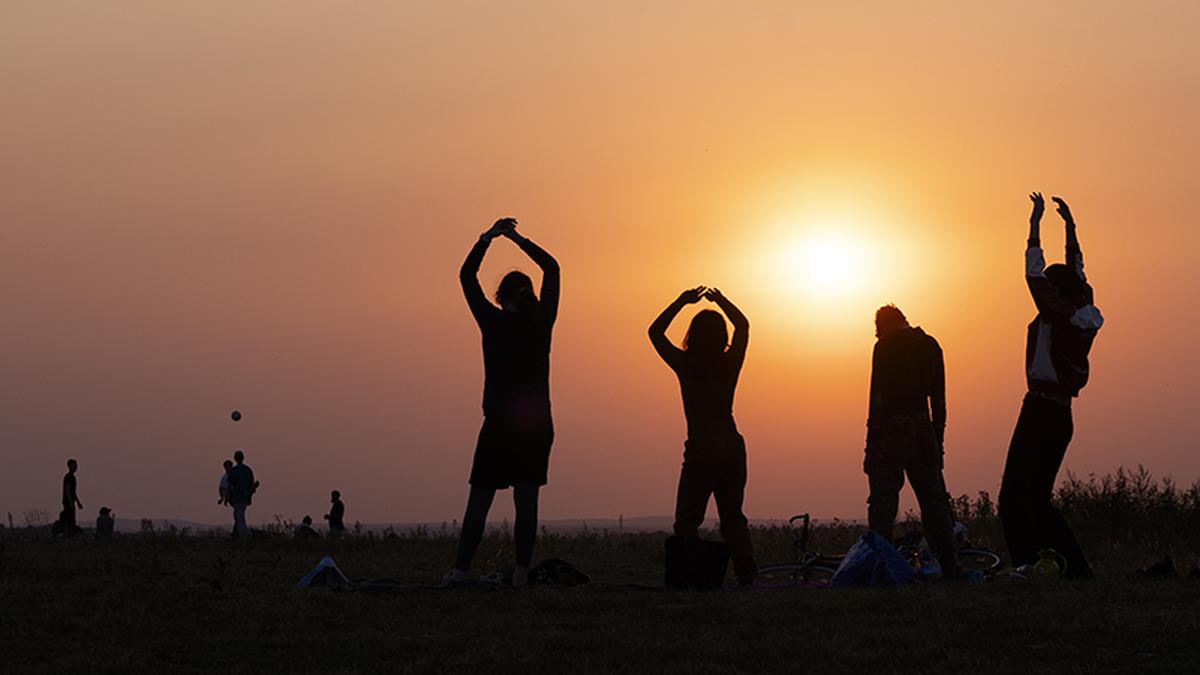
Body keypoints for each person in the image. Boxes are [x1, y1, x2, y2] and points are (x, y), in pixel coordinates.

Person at [444, 217, 560, 588]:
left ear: (500, 298)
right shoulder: (542, 323)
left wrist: (488, 239)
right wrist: (517, 239)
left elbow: (466, 276)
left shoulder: (492, 323)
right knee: (526, 505)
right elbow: (552, 267)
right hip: (538, 426)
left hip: (498, 426)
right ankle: (523, 575)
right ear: (530, 295)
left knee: (479, 501)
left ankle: (460, 572)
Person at [999, 193, 1103, 580]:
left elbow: (1034, 273)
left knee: (1012, 496)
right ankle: (1072, 568)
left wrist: (1035, 225)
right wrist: (1071, 228)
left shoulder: (1057, 313)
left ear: (1055, 293)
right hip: (1061, 415)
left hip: (1039, 410)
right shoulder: (1083, 312)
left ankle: (1027, 565)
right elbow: (1079, 274)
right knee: (1038, 498)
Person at [649, 286, 757, 585]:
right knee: (733, 517)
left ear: (692, 335)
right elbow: (744, 326)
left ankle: (688, 578)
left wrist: (681, 301)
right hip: (732, 445)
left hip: (701, 448)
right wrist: (722, 300)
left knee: (687, 520)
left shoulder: (686, 364)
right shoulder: (730, 361)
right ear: (722, 337)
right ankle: (746, 575)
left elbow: (655, 332)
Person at [864, 305, 958, 578]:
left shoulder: (884, 347)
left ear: (881, 326)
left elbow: (877, 398)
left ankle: (878, 566)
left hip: (892, 429)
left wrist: (871, 445)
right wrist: (937, 439)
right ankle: (949, 566)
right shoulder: (930, 345)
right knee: (935, 501)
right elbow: (939, 399)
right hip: (923, 428)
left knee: (882, 502)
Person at [227, 450, 258, 539]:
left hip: (237, 497)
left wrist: (228, 496)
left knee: (239, 517)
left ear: (235, 459)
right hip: (245, 497)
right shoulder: (248, 470)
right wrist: (250, 496)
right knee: (240, 516)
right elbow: (251, 486)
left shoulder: (235, 471)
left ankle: (244, 536)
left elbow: (230, 485)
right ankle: (245, 534)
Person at [60, 459, 83, 537]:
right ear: (70, 466)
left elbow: (73, 492)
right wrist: (70, 502)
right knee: (69, 520)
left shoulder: (72, 477)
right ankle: (68, 535)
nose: (76, 466)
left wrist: (78, 502)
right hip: (68, 502)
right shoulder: (69, 477)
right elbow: (67, 490)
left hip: (71, 501)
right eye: (74, 465)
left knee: (71, 520)